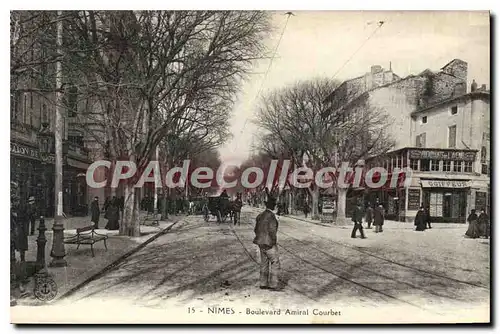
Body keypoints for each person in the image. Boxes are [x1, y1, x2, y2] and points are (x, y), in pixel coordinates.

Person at [254, 190, 281, 291]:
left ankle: (263, 283)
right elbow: (273, 231)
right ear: (273, 206)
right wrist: (273, 242)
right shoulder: (272, 217)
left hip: (260, 243)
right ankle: (273, 284)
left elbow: (255, 229)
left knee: (264, 263)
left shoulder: (260, 215)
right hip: (269, 243)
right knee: (275, 262)